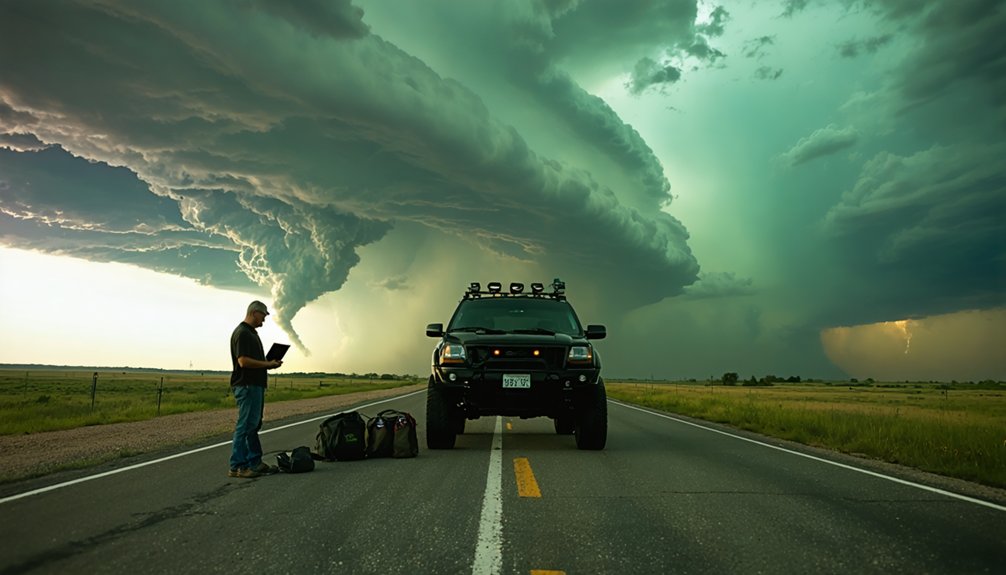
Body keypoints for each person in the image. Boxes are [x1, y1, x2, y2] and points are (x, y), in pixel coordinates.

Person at [228, 300, 283, 478]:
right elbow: (243, 361)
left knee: (253, 425)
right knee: (245, 426)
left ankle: (255, 462)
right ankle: (238, 466)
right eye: (263, 315)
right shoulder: (242, 333)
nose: (264, 320)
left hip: (254, 385)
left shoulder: (251, 333)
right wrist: (268, 364)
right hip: (246, 385)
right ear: (254, 312)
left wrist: (268, 363)